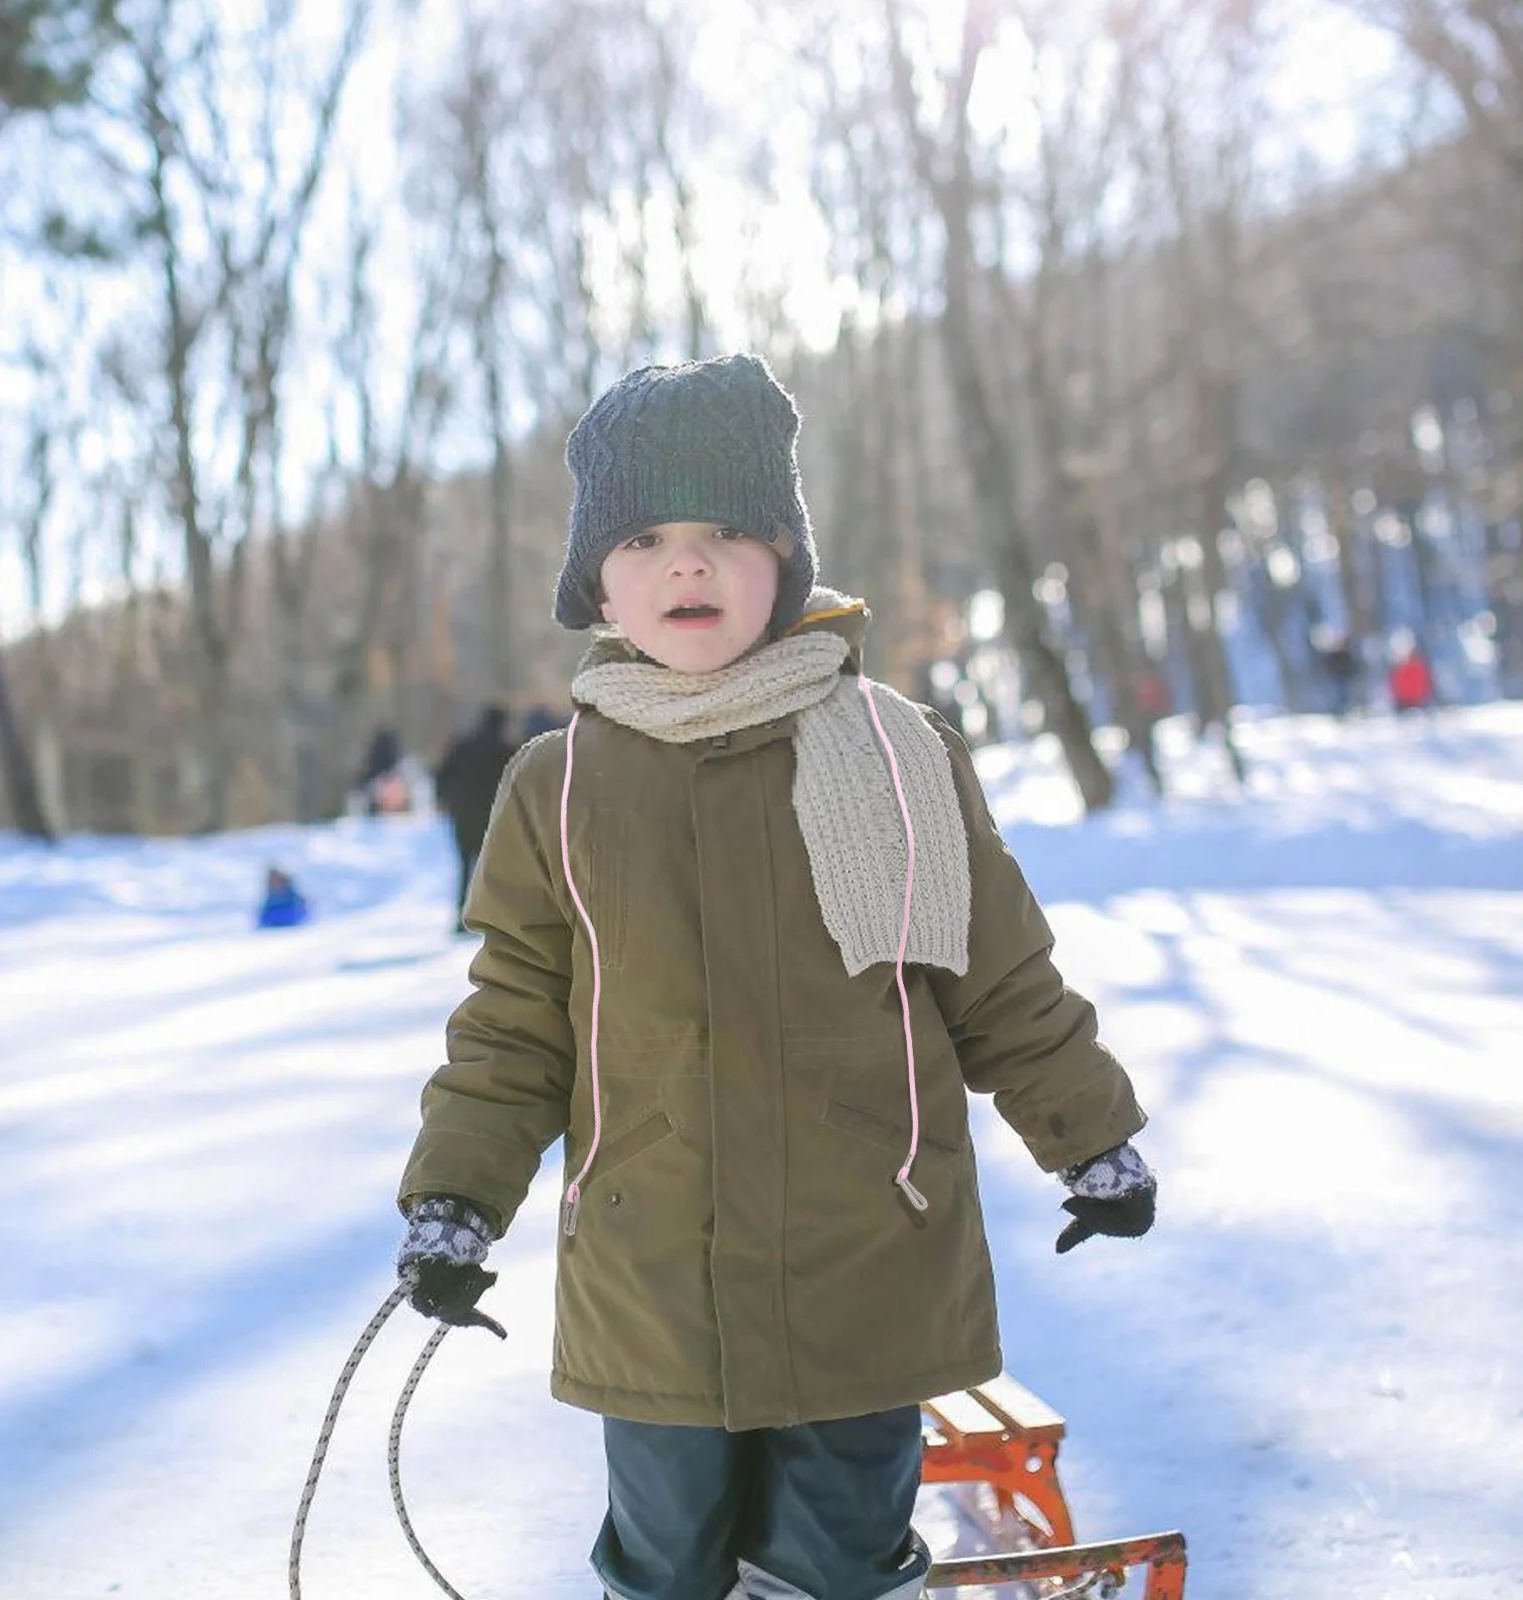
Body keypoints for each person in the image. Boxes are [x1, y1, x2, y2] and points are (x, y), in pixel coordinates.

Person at [394, 354, 1156, 1600]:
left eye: (727, 532)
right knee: (667, 1562)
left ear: (785, 561)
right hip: (650, 1270)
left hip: (868, 1248)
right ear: (597, 578)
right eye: (646, 536)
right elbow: (513, 1024)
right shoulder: (560, 784)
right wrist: (455, 1199)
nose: (687, 564)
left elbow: (1002, 979)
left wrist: (1091, 1139)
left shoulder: (899, 755)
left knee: (834, 1561)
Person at [433, 704, 517, 931]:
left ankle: (462, 917)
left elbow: (442, 774)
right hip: (490, 815)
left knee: (464, 865)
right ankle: (489, 918)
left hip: (461, 813)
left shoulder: (463, 745)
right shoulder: (506, 749)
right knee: (490, 869)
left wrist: (441, 799)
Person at [1387, 634, 1435, 715]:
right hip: (1403, 705)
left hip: (1419, 704)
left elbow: (1426, 686)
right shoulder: (1396, 670)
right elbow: (1394, 689)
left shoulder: (1418, 665)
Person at [255, 865, 310, 929]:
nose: (274, 884)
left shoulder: (293, 898)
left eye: (276, 880)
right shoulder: (269, 900)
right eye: (271, 881)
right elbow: (262, 919)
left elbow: (300, 916)